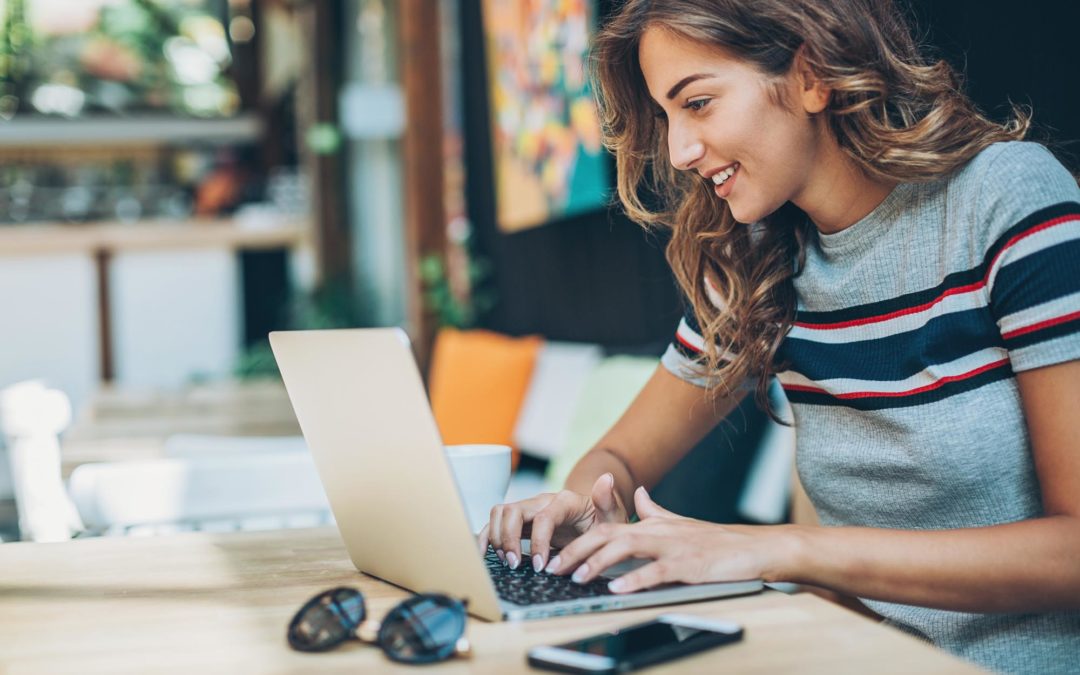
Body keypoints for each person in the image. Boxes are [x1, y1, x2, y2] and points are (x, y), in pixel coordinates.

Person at [477, 0, 1080, 672]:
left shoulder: (1006, 202)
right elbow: (616, 455)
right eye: (667, 116)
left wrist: (779, 548)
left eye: (698, 103)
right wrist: (578, 506)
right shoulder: (763, 261)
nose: (678, 151)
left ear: (812, 74)